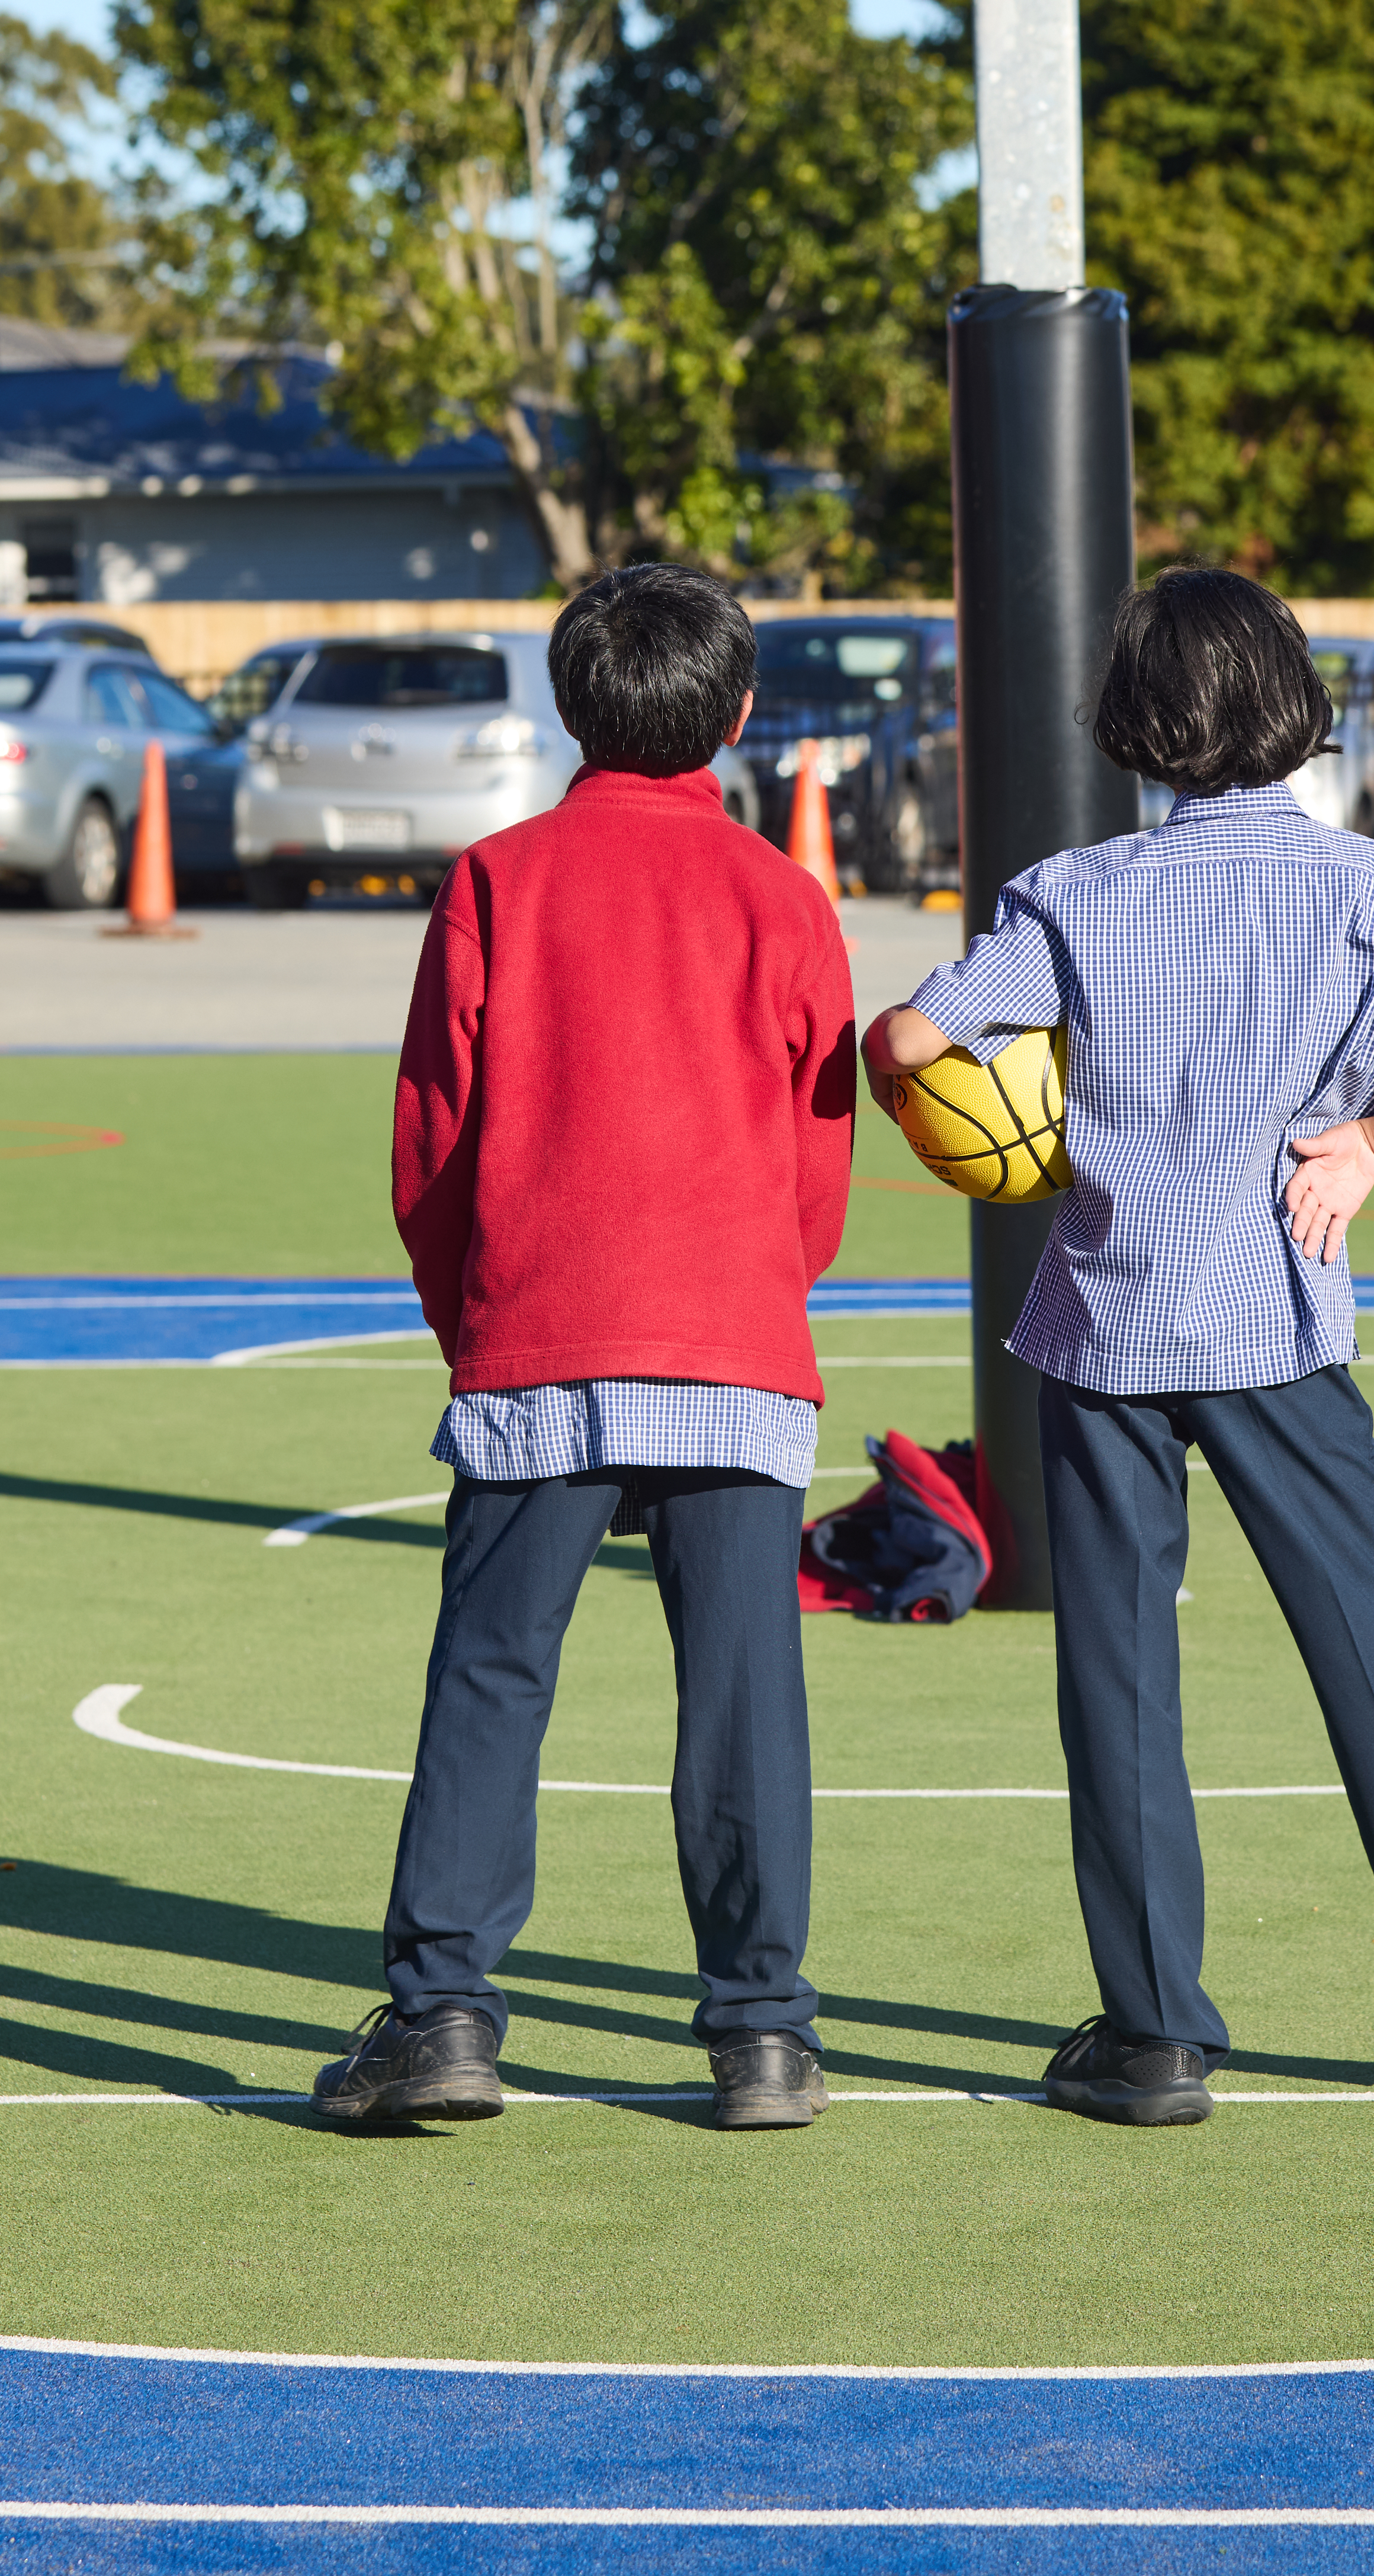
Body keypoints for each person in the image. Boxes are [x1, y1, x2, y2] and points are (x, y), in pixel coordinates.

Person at [862, 568, 1374, 2128]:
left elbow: (903, 1042)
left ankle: (1153, 2038)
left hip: (1099, 1325)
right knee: (1370, 1662)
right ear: (1295, 707)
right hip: (1277, 1313)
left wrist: (971, 1141)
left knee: (1117, 1678)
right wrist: (1370, 1143)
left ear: (1132, 725)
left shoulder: (1067, 893)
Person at [319, 563, 858, 2133]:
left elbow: (433, 1135)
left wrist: (470, 1310)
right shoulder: (785, 896)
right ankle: (761, 2032)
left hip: (536, 1333)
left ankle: (441, 2017)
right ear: (739, 712)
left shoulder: (499, 878)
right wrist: (762, 1285)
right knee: (743, 1696)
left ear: (567, 707)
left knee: (493, 1676)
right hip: (735, 1340)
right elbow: (817, 1161)